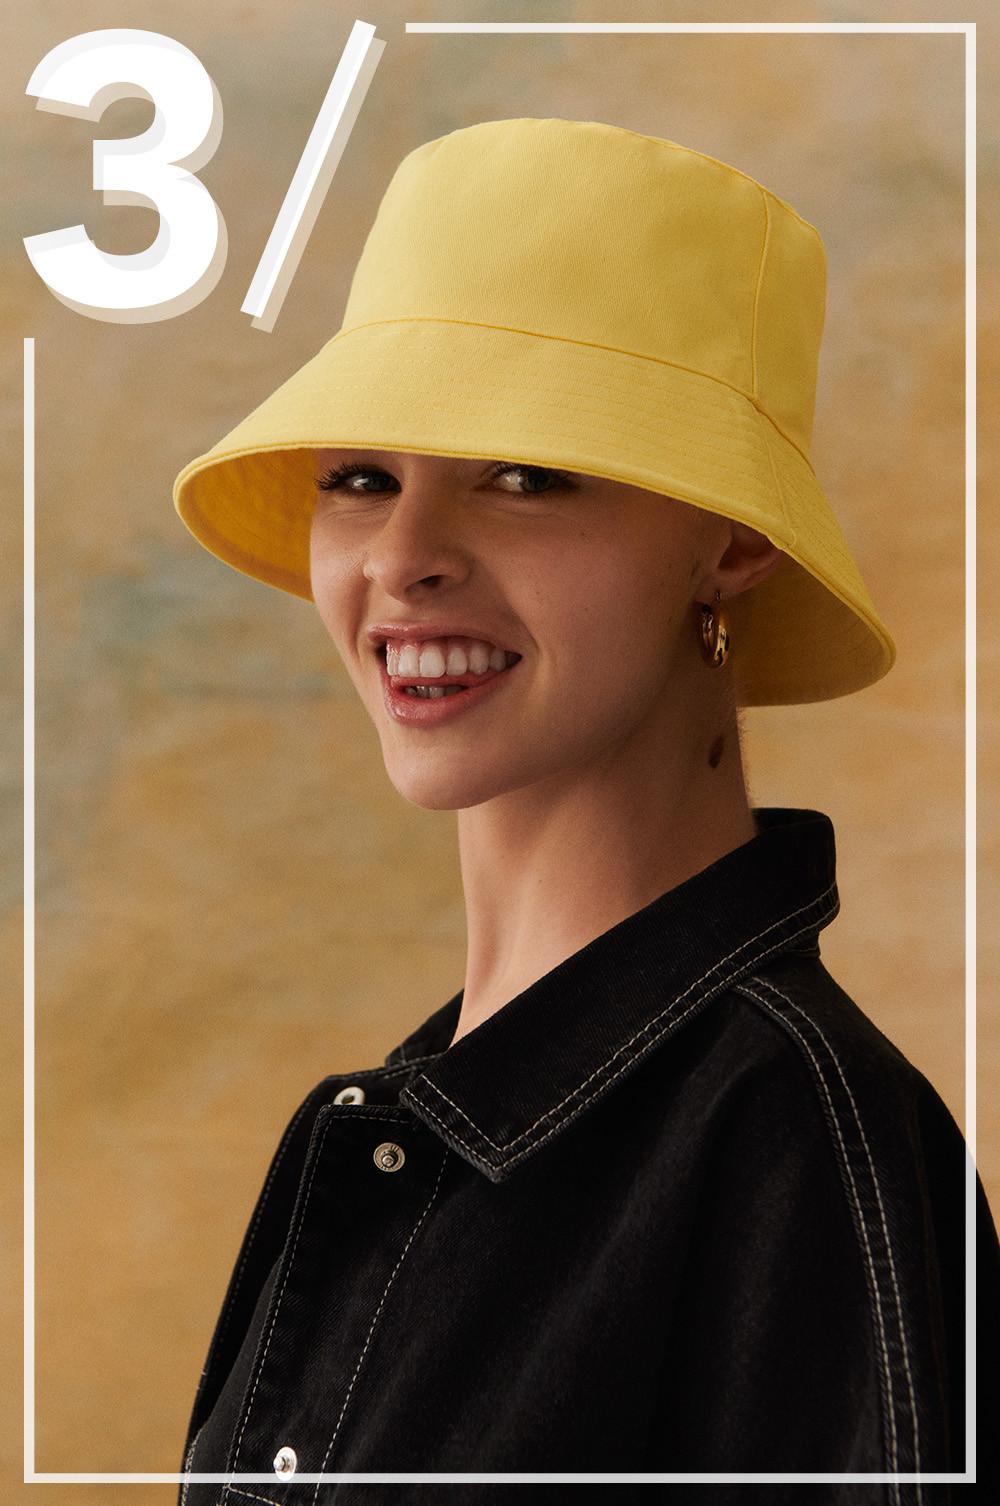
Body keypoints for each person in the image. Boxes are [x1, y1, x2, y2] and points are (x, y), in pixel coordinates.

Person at [171, 117, 998, 1503]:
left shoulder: (802, 1145)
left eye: (523, 474)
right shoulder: (382, 1133)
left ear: (730, 542)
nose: (404, 558)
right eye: (361, 478)